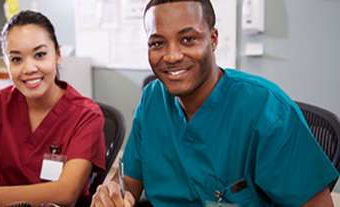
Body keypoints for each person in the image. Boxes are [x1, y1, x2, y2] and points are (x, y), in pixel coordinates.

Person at [90, 0, 339, 206]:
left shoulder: (267, 109)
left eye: (188, 39)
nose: (172, 56)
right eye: (158, 43)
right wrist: (113, 192)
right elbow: (129, 181)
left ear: (213, 39)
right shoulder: (152, 99)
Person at [0, 10, 105, 207]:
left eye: (39, 55)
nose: (29, 68)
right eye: (16, 59)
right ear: (6, 62)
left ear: (57, 55)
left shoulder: (86, 115)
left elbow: (67, 192)